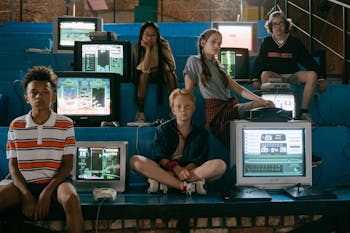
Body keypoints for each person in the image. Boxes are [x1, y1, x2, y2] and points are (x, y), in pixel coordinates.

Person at [0, 66, 84, 233]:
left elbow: (67, 166)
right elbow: (13, 167)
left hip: (56, 184)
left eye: (45, 92)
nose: (40, 96)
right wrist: (26, 195)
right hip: (24, 185)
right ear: (26, 98)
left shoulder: (65, 123)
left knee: (72, 200)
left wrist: (46, 193)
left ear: (53, 96)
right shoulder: (16, 125)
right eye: (34, 93)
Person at [183, 28, 274, 148]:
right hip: (216, 113)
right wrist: (184, 118)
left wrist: (261, 100)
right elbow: (188, 92)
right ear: (203, 43)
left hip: (229, 107)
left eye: (219, 43)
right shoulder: (194, 61)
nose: (217, 46)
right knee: (258, 106)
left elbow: (239, 89)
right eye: (213, 42)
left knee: (263, 105)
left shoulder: (220, 67)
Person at [130, 88, 227, 195]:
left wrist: (183, 171)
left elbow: (199, 159)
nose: (183, 110)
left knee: (220, 165)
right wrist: (176, 169)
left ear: (193, 108)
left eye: (187, 106)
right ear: (173, 110)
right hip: (166, 170)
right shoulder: (163, 129)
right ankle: (184, 186)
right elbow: (160, 157)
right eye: (178, 106)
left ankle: (165, 183)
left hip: (190, 172)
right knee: (135, 161)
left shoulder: (201, 132)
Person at [252, 11, 327, 123]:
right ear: (271, 27)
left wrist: (321, 78)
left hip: (292, 75)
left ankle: (304, 112)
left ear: (286, 25)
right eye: (275, 24)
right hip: (275, 76)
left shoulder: (294, 42)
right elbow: (260, 62)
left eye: (281, 23)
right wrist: (255, 78)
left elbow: (308, 61)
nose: (278, 27)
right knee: (264, 74)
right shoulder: (267, 42)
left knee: (312, 75)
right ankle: (269, 109)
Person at [132, 21, 179, 122]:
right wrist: (148, 50)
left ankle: (174, 110)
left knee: (171, 75)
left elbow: (172, 65)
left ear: (157, 36)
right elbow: (144, 68)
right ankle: (140, 112)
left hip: (162, 73)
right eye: (147, 35)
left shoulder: (163, 44)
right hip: (146, 75)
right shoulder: (138, 47)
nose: (150, 38)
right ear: (142, 35)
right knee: (144, 75)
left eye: (153, 35)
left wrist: (161, 68)